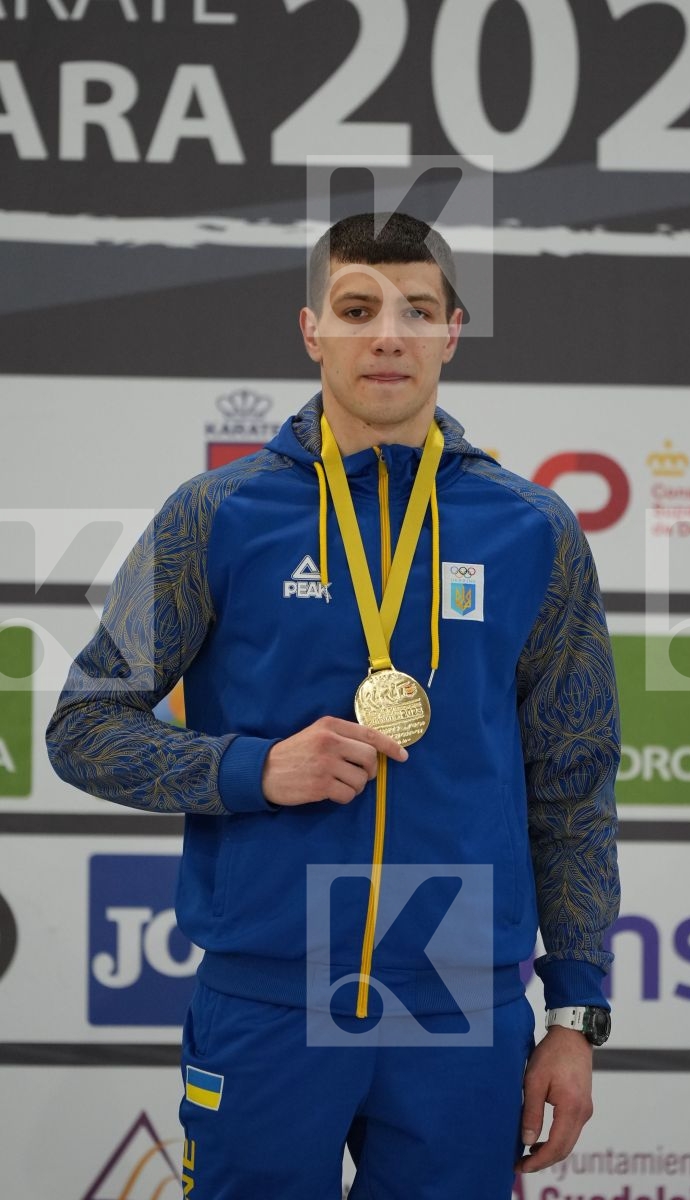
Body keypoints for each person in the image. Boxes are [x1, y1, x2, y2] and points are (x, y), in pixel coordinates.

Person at [47, 211, 620, 1200]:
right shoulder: (215, 515)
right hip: (270, 991)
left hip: (456, 1002)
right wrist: (251, 768)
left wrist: (573, 1016)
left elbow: (569, 784)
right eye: (356, 309)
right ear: (311, 328)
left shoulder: (535, 531)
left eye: (415, 311)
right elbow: (82, 726)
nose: (386, 336)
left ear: (452, 330)